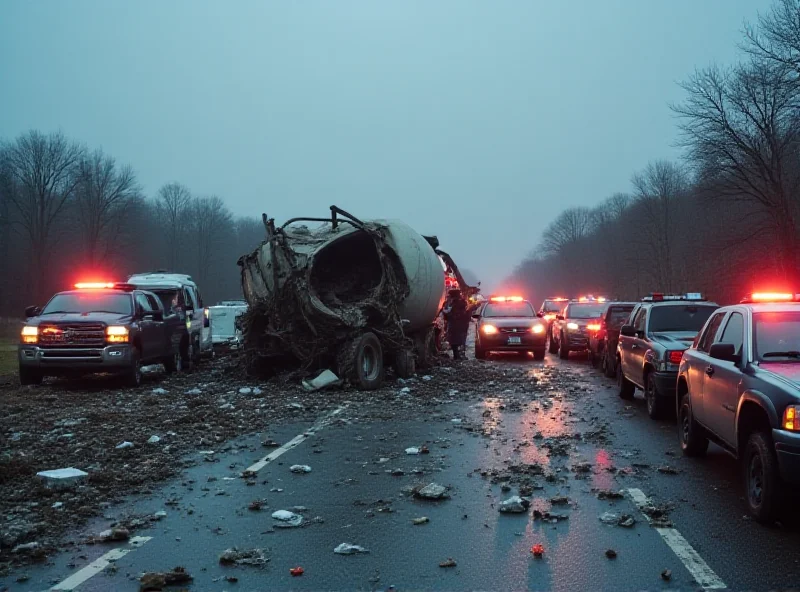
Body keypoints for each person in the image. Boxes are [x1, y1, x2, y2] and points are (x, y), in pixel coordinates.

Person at [443, 289, 474, 360]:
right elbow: (465, 314)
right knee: (458, 340)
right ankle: (458, 355)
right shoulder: (459, 303)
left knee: (456, 341)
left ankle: (457, 355)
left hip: (455, 325)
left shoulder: (453, 304)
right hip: (458, 325)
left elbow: (448, 314)